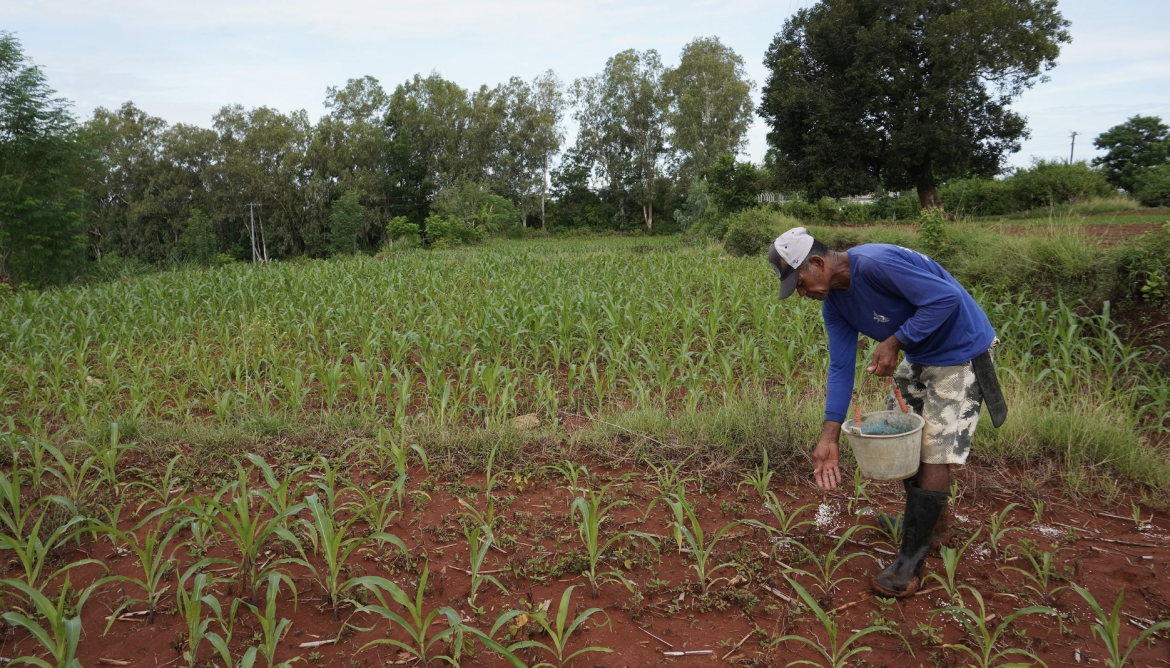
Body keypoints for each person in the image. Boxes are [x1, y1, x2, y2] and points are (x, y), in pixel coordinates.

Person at [769, 227, 1006, 597]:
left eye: (799, 284)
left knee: (932, 453)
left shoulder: (876, 263)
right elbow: (840, 368)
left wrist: (895, 341)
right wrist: (828, 438)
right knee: (904, 440)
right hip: (923, 355)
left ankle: (910, 562)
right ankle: (928, 524)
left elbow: (946, 298)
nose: (801, 294)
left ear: (817, 262)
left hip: (962, 351)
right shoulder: (835, 305)